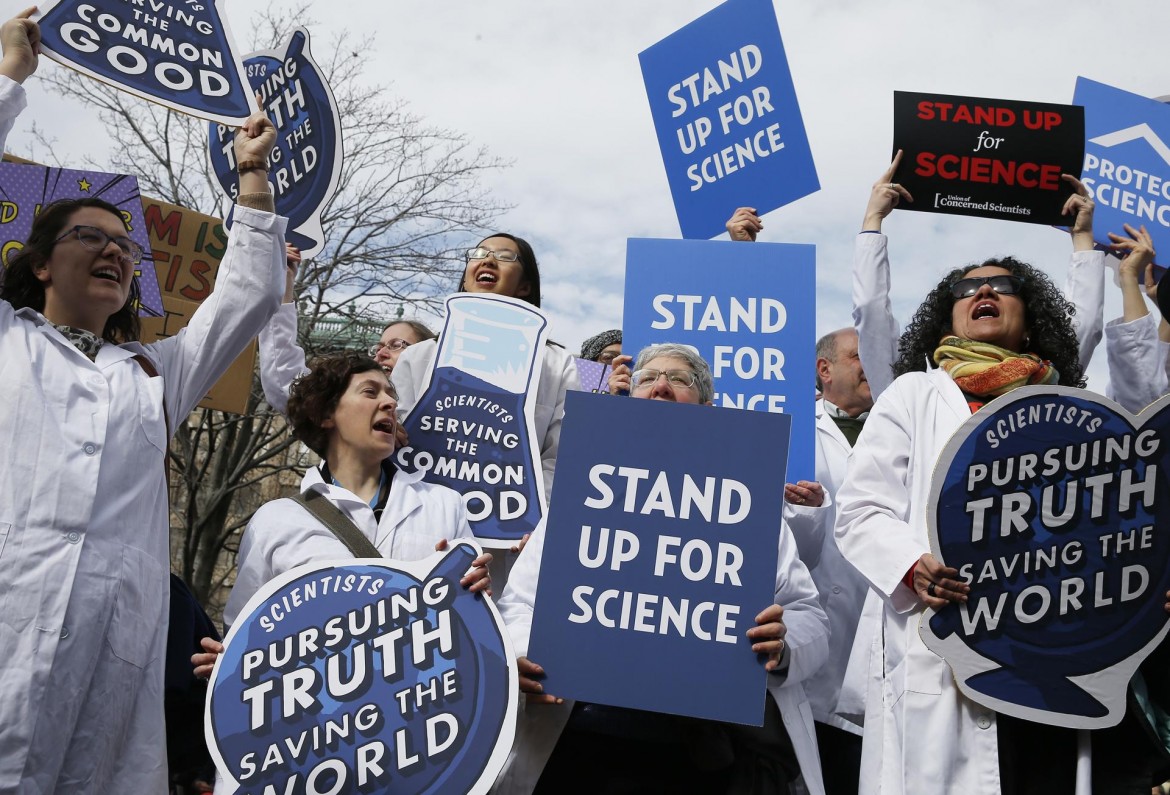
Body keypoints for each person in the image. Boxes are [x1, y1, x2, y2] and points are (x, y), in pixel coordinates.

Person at [0, 9, 287, 792]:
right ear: (37, 269)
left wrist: (252, 175)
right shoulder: (8, 340)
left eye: (124, 246)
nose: (114, 251)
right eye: (89, 237)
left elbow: (250, 292)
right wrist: (9, 79)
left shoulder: (154, 375)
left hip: (109, 655)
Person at [834, 214, 1170, 793]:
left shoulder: (1067, 403)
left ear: (1030, 315)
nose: (982, 292)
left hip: (1055, 653)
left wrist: (1127, 282)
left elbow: (1146, 446)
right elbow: (862, 511)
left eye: (1000, 286)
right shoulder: (916, 394)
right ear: (950, 314)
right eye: (966, 290)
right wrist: (912, 567)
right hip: (948, 649)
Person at [497, 343, 829, 795]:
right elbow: (521, 603)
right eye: (647, 378)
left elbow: (809, 616)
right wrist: (519, 652)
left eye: (680, 380)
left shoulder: (750, 508)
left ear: (709, 408)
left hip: (705, 758)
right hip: (579, 744)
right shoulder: (580, 494)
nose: (661, 388)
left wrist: (785, 642)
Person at [194, 352, 490, 678]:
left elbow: (475, 625)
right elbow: (245, 634)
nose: (390, 403)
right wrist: (229, 667)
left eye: (391, 394)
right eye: (370, 392)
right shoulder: (275, 521)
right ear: (325, 414)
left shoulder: (445, 505)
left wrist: (475, 594)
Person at [258, 245, 436, 413]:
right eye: (378, 347)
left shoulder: (446, 419)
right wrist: (284, 281)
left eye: (396, 345)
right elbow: (285, 382)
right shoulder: (350, 412)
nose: (380, 354)